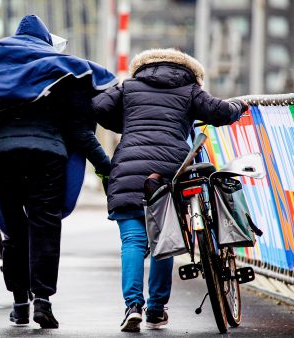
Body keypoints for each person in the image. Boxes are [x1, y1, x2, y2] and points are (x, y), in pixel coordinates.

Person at [0, 15, 116, 328]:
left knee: (14, 230)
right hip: (49, 159)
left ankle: (20, 303)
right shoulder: (58, 72)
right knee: (44, 225)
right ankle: (43, 301)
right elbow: (78, 130)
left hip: (6, 157)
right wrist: (104, 166)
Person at [92, 48, 248, 332]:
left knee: (133, 241)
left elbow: (99, 106)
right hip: (169, 170)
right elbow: (220, 112)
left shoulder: (128, 87)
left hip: (128, 168)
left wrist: (127, 124)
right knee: (165, 239)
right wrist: (239, 106)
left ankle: (132, 307)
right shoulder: (189, 89)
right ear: (189, 70)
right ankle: (156, 309)